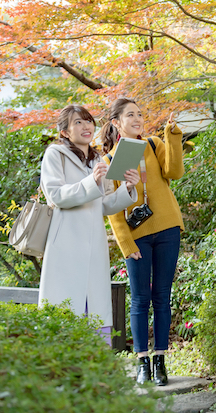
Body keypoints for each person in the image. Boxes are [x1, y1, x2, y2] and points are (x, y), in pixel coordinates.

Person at [99, 97, 185, 386]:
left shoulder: (152, 144)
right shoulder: (110, 160)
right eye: (130, 115)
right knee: (139, 299)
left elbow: (174, 172)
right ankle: (141, 363)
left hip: (168, 229)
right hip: (136, 237)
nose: (137, 119)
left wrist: (171, 137)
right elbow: (112, 208)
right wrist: (126, 244)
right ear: (116, 123)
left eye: (140, 114)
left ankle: (160, 361)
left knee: (162, 296)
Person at [39, 105, 140, 346]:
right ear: (64, 132)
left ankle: (97, 374)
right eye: (77, 123)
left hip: (94, 243)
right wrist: (90, 181)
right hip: (66, 243)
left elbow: (103, 205)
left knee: (95, 309)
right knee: (65, 307)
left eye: (88, 122)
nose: (86, 127)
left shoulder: (96, 159)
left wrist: (127, 190)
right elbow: (55, 195)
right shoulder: (55, 154)